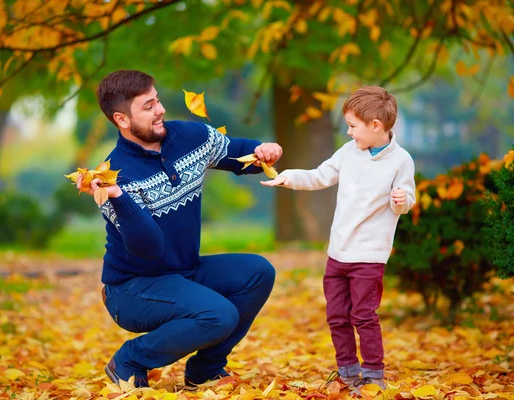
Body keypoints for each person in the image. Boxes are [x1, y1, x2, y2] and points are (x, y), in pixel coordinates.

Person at [77, 70, 281, 389]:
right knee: (218, 315)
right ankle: (130, 360)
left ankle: (205, 369)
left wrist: (263, 151)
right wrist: (119, 197)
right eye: (148, 106)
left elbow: (236, 152)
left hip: (184, 272)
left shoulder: (191, 138)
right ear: (122, 119)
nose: (160, 110)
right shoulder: (111, 179)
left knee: (257, 271)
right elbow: (148, 248)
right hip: (132, 289)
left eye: (157, 100)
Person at [261, 86, 416, 394]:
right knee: (337, 315)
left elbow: (406, 198)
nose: (347, 132)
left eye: (353, 126)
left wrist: (402, 199)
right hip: (338, 254)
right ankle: (347, 370)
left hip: (369, 257)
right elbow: (320, 175)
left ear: (375, 126)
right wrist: (289, 177)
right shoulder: (348, 153)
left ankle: (373, 374)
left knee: (363, 315)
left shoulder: (401, 160)